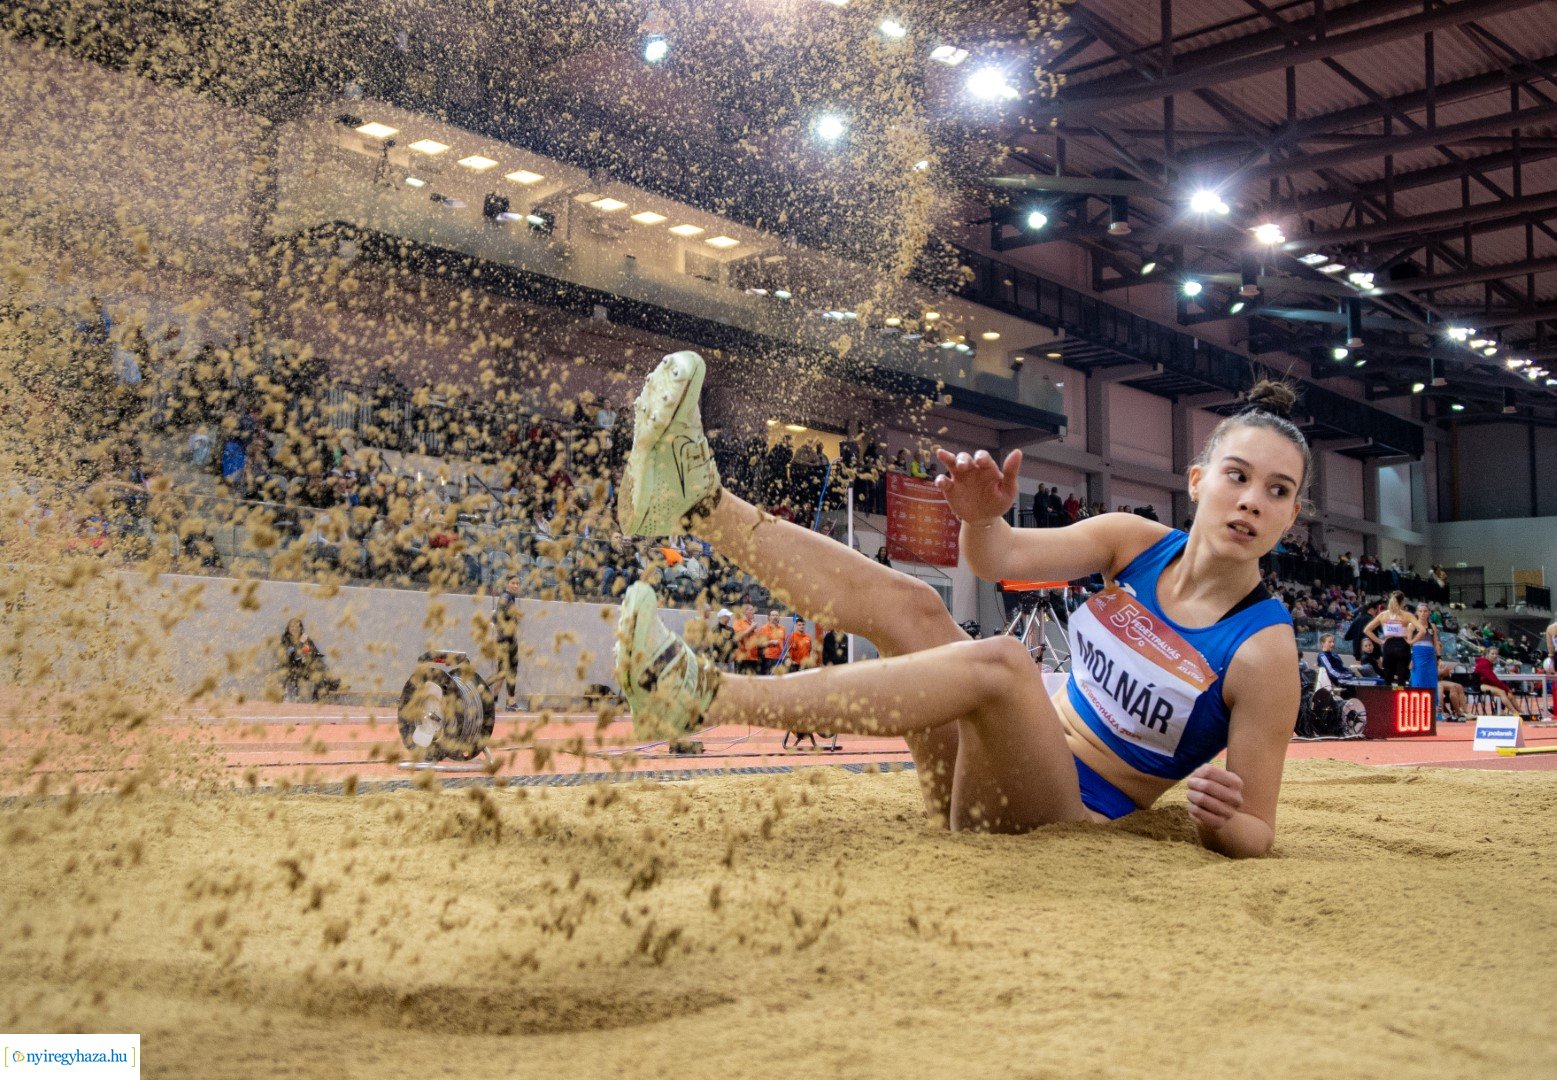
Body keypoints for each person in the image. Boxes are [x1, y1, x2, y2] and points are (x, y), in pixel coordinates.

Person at [613, 351, 1304, 856]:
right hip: (980, 768)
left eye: (1277, 491)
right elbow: (998, 560)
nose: (1251, 501)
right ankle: (696, 503)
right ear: (1196, 481)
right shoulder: (1135, 542)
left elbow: (1257, 831)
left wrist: (1224, 822)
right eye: (1237, 476)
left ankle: (703, 698)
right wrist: (981, 518)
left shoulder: (1263, 653)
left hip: (1063, 818)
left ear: (1292, 515)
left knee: (1004, 663)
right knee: (913, 603)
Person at [1417, 602, 1468, 721]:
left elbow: (1442, 672)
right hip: (1430, 675)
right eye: (1421, 611)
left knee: (1457, 686)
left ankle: (1462, 712)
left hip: (1437, 676)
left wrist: (1441, 664)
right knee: (1440, 686)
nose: (1423, 613)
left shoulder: (1436, 646)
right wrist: (1442, 672)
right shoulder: (1415, 628)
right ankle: (1442, 711)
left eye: (1425, 611)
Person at [1364, 591, 1421, 688]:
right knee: (1401, 679)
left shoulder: (1383, 615)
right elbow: (1422, 630)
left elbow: (1367, 630)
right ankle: (1398, 695)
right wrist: (1412, 641)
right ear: (1402, 602)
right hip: (1402, 645)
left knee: (1388, 677)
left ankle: (1388, 696)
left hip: (1388, 645)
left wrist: (1380, 641)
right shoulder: (1407, 615)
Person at [279, 618, 339, 702]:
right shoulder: (286, 640)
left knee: (320, 671)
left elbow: (312, 654)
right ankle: (330, 684)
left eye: (297, 626)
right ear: (288, 629)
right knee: (317, 671)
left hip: (305, 668)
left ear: (301, 628)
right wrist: (300, 643)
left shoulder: (305, 639)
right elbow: (292, 656)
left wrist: (307, 648)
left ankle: (318, 698)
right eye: (292, 626)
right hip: (292, 669)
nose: (294, 628)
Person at [1473, 647, 1528, 719]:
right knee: (1502, 692)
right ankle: (1515, 713)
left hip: (1485, 684)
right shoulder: (1484, 663)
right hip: (1477, 685)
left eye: (1496, 654)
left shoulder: (1489, 663)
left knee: (1509, 694)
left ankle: (1520, 712)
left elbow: (1492, 680)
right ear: (1487, 654)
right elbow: (1493, 680)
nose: (1495, 656)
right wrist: (1506, 688)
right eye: (1492, 654)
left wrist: (1507, 689)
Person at [494, 574, 523, 709]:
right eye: (513, 583)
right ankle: (494, 700)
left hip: (510, 640)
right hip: (505, 641)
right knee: (505, 671)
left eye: (517, 583)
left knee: (508, 671)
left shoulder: (510, 598)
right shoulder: (506, 598)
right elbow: (497, 617)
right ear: (507, 584)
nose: (516, 586)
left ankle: (509, 702)